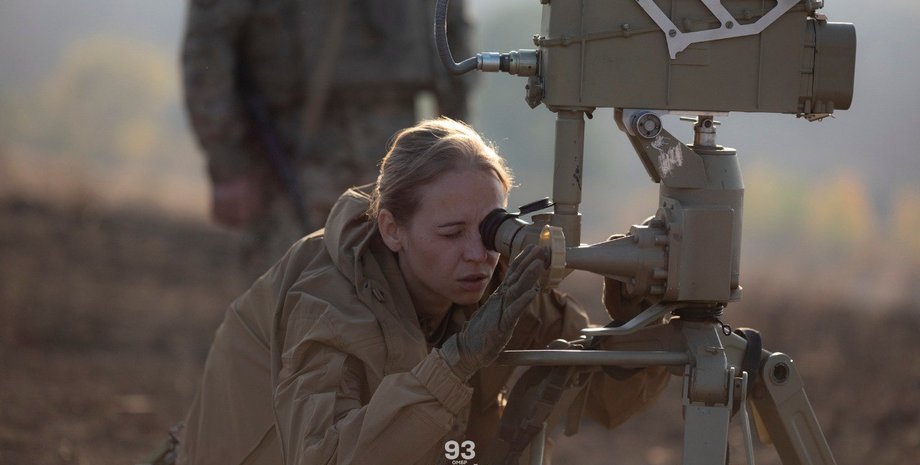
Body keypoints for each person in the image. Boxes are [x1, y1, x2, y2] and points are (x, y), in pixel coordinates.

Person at [176, 119, 669, 465]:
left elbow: (605, 400)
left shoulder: (497, 284)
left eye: (493, 229)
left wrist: (634, 328)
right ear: (392, 229)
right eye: (451, 233)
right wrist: (457, 362)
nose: (479, 253)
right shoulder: (330, 300)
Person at [181, 0, 473, 267]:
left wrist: (452, 153)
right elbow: (208, 48)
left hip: (398, 142)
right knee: (289, 292)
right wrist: (229, 162)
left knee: (394, 297)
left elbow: (454, 36)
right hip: (291, 147)